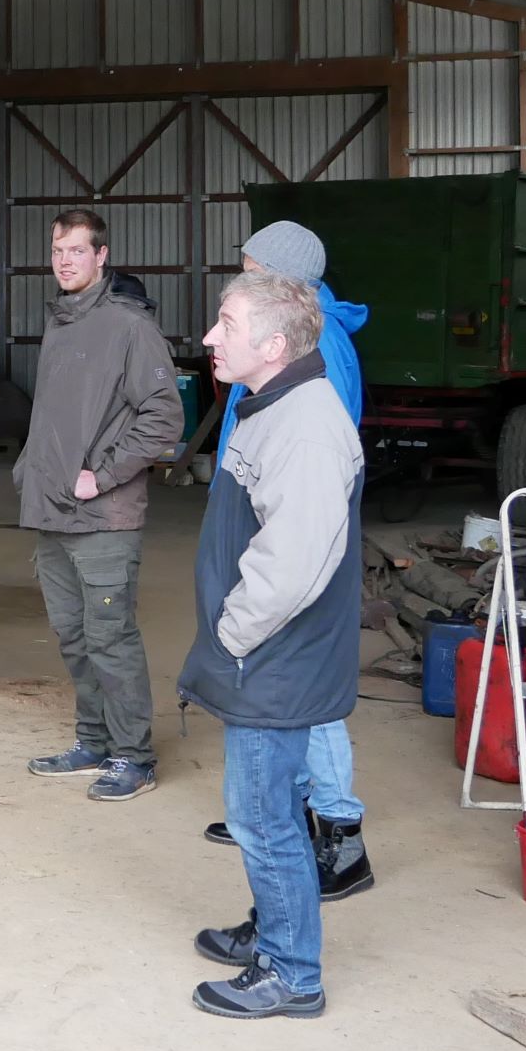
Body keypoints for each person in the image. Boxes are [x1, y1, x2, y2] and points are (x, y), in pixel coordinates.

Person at [181, 272, 364, 1019]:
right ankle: (273, 929)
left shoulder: (305, 428)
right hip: (264, 653)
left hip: (272, 655)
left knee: (262, 816)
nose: (208, 337)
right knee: (270, 805)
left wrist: (231, 635)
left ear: (275, 344)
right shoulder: (270, 406)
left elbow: (293, 565)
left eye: (226, 323)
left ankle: (291, 970)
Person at [198, 220, 376, 900]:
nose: (241, 281)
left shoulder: (315, 346)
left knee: (308, 699)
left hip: (293, 548)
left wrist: (233, 628)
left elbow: (311, 480)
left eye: (251, 270)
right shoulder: (277, 343)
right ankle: (284, 812)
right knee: (292, 705)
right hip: (264, 524)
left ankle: (339, 832)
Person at [18, 207, 185, 801]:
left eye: (76, 251)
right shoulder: (62, 321)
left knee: (110, 638)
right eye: (57, 250)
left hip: (103, 517)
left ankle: (134, 758)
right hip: (53, 510)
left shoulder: (127, 325)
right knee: (73, 636)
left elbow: (164, 416)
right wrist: (31, 470)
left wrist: (104, 475)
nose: (64, 261)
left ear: (101, 255)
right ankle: (93, 742)